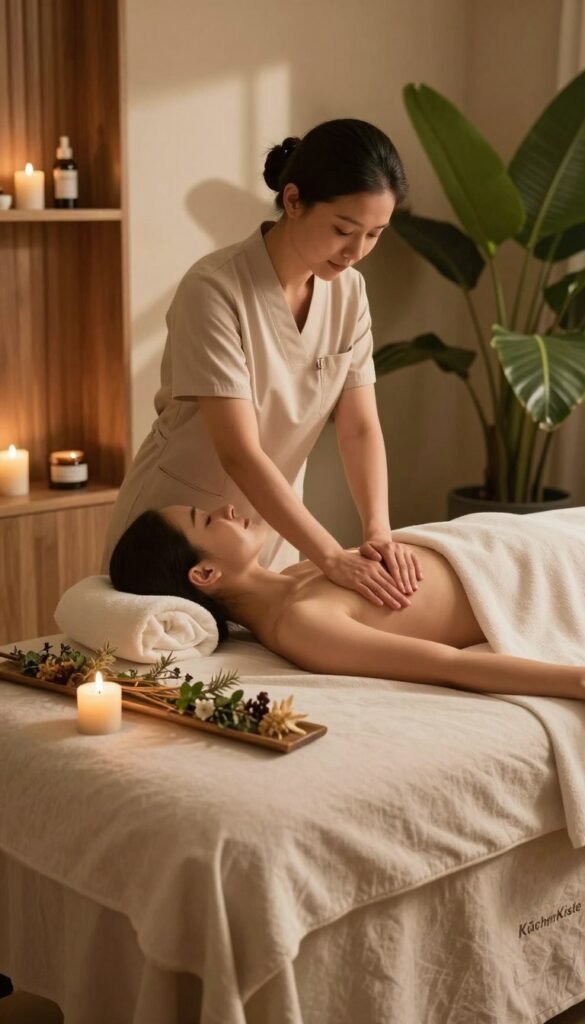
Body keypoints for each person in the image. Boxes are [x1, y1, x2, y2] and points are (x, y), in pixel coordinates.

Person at [103, 119, 421, 612]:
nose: (356, 253)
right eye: (343, 230)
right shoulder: (213, 290)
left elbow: (358, 427)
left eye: (375, 235)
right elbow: (239, 452)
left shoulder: (350, 293)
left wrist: (376, 531)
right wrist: (331, 556)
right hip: (177, 537)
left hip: (272, 530)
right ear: (293, 201)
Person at [109, 503, 585, 701]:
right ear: (206, 574)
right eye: (209, 520)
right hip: (535, 572)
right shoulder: (301, 625)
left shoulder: (301, 571)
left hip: (507, 538)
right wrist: (576, 682)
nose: (229, 509)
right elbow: (449, 666)